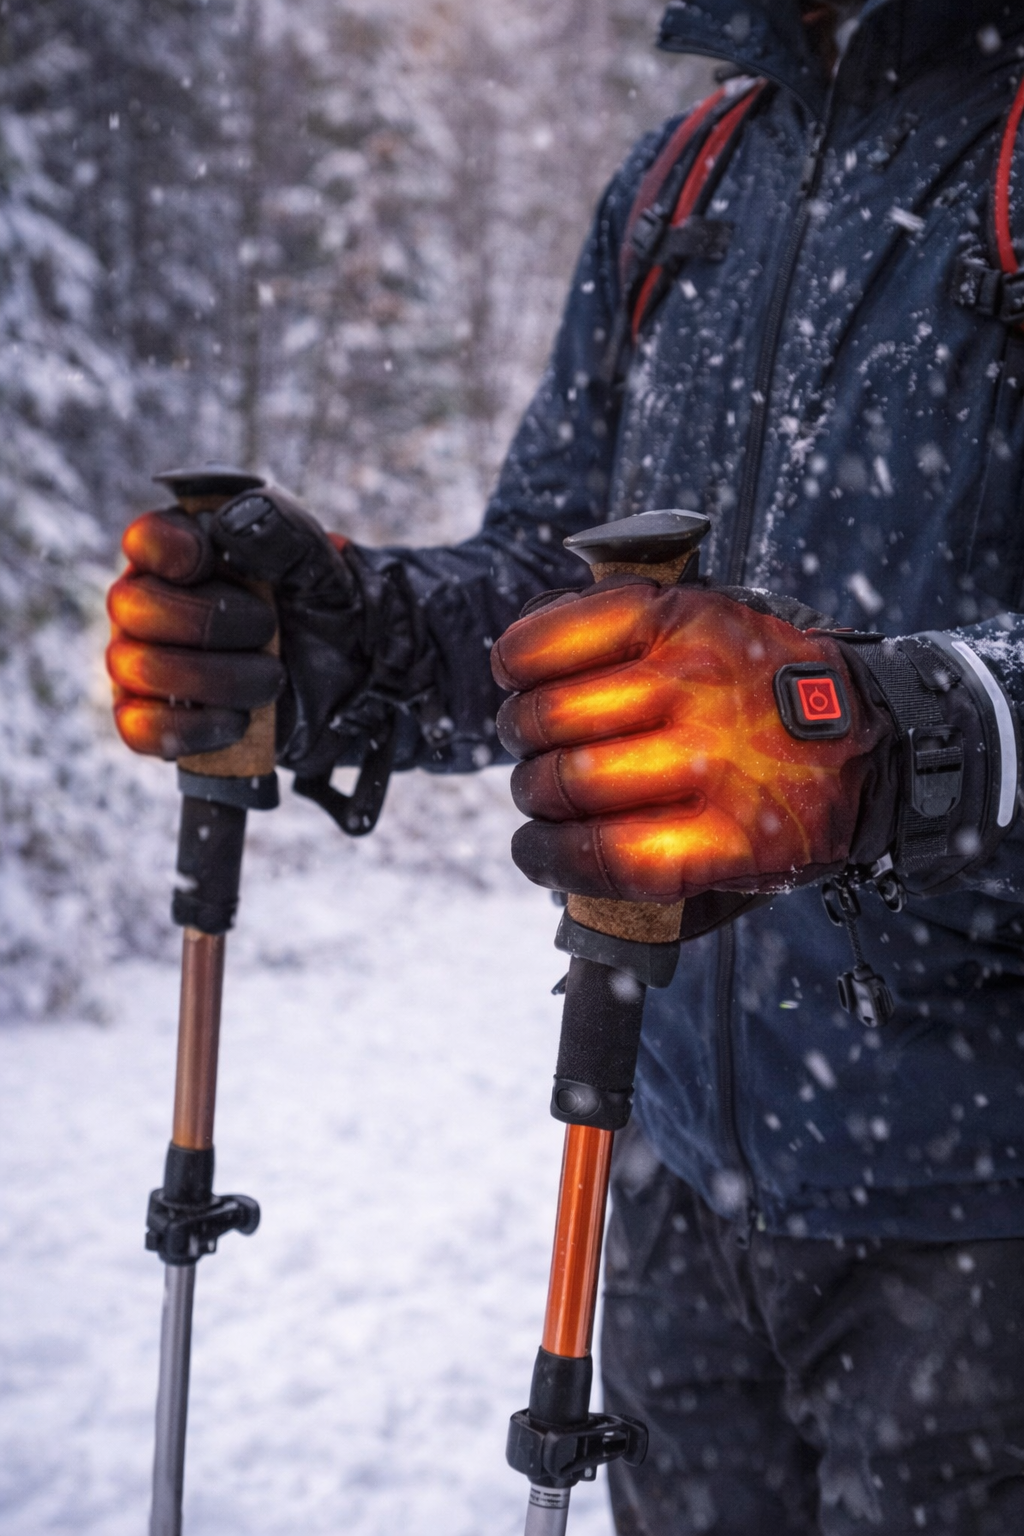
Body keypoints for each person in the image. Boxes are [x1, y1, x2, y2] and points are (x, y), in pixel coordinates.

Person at [107, 2, 1024, 1530]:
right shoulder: (684, 181)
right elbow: (557, 581)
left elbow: (861, 715)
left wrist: (897, 730)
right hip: (664, 1170)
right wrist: (359, 645)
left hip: (981, 1215)